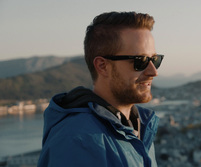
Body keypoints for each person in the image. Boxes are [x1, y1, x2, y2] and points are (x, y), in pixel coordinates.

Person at [38, 11, 164, 167]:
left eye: (155, 59)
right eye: (141, 60)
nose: (154, 71)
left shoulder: (139, 128)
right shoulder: (77, 141)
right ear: (103, 66)